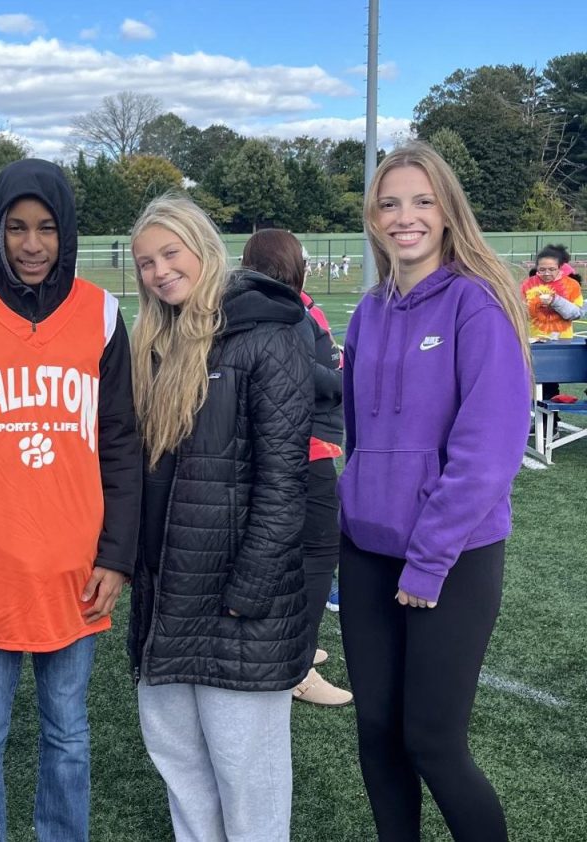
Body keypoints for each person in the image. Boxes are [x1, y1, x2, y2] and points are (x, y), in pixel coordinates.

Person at [0, 158, 141, 842]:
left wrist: (117, 556)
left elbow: (122, 444)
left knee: (68, 735)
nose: (32, 244)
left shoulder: (101, 314)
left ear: (66, 230)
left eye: (46, 227)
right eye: (16, 228)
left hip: (76, 568)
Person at [338, 141, 531, 841]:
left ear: (447, 212)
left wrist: (428, 560)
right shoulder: (367, 312)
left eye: (421, 201)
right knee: (377, 734)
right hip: (365, 552)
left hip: (450, 561)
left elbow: (488, 453)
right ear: (374, 218)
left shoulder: (476, 307)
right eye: (389, 204)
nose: (404, 217)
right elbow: (358, 439)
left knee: (433, 742)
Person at [128, 195, 312, 841]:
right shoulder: (153, 346)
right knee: (183, 769)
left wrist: (250, 590)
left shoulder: (268, 337)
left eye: (169, 253)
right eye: (146, 262)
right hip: (167, 599)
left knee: (248, 779)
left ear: (203, 248)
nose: (158, 272)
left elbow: (284, 480)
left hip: (237, 606)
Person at [242, 228, 351, 708]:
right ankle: (296, 667)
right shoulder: (281, 311)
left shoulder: (285, 305)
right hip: (304, 449)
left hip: (306, 445)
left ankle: (293, 646)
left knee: (300, 557)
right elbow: (297, 374)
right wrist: (348, 379)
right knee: (318, 555)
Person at [522, 244, 582, 342]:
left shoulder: (572, 285)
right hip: (536, 339)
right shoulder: (528, 284)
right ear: (537, 268)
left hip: (564, 340)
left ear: (559, 267)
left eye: (552, 269)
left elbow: (575, 314)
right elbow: (520, 311)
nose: (546, 273)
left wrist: (555, 302)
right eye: (542, 269)